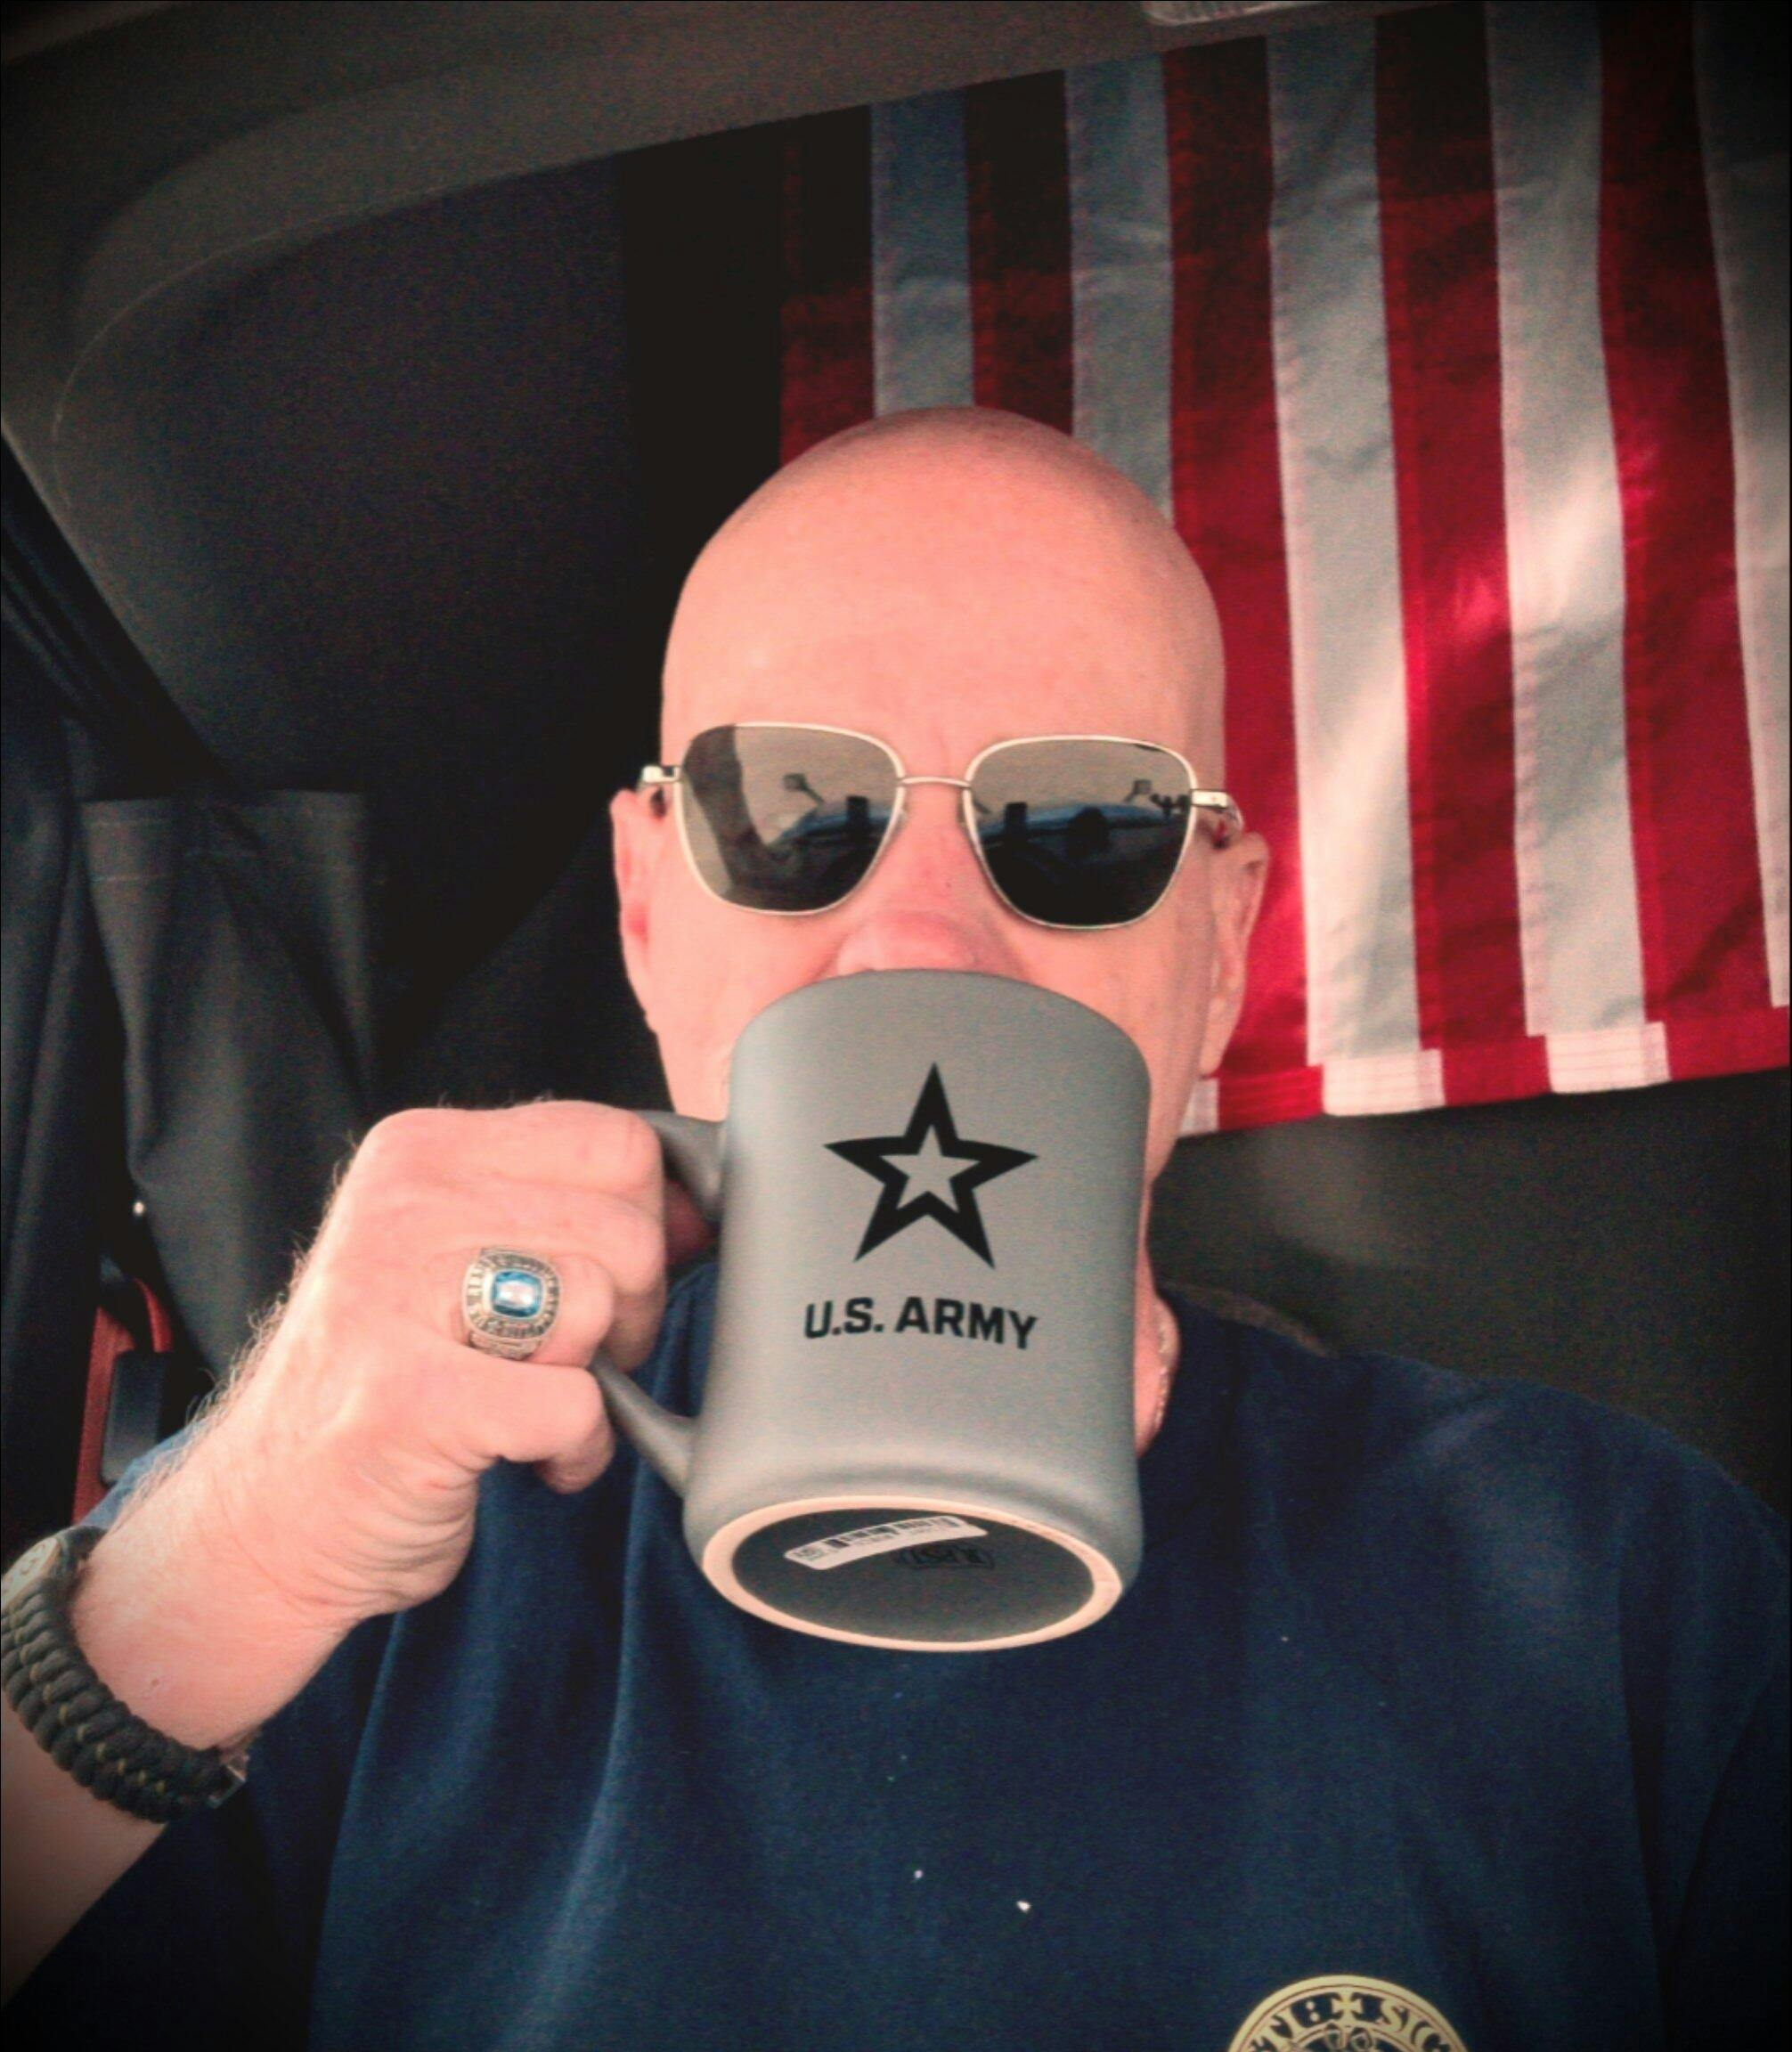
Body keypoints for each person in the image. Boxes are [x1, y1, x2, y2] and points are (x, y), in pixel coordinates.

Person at [3, 408, 1785, 2051]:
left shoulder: (1626, 1587)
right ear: (645, 911)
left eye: (1079, 823)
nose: (918, 937)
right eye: (793, 810)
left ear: (1221, 945)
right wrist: (216, 1568)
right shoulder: (346, 1556)